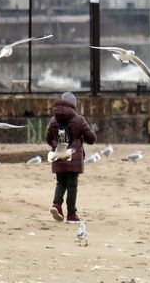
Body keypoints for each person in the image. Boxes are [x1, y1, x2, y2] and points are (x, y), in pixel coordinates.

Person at [45, 91, 96, 224]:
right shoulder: (79, 120)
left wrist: (57, 146)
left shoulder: (53, 120)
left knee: (60, 182)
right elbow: (91, 139)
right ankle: (72, 214)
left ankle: (56, 205)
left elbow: (48, 139)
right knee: (72, 185)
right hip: (73, 158)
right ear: (74, 105)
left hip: (58, 156)